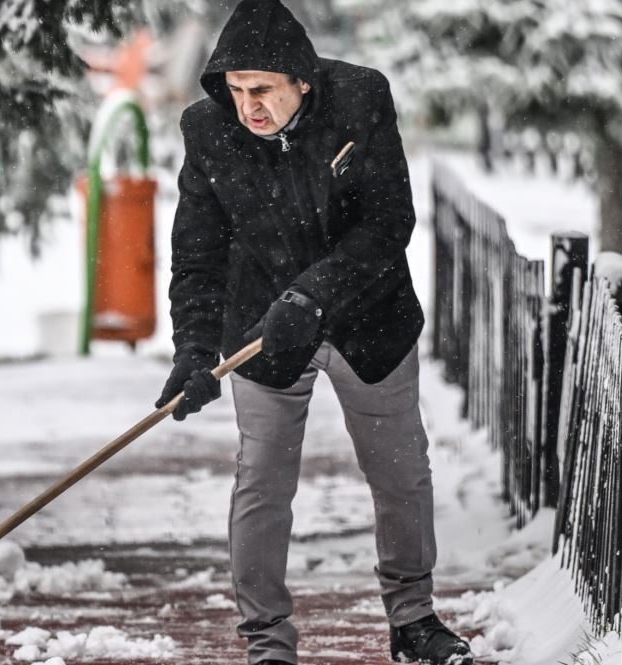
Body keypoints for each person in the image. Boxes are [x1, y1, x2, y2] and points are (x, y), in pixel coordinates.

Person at [153, 1, 473, 664]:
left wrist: (312, 294)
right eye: (237, 91)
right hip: (262, 331)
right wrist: (192, 348)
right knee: (261, 478)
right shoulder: (207, 130)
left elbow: (390, 222)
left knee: (401, 472)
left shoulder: (359, 99)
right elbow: (198, 251)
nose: (250, 107)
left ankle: (413, 618)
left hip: (368, 320)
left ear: (301, 80)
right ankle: (266, 639)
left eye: (262, 91)